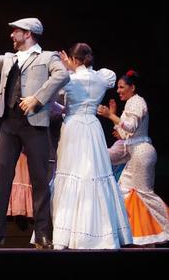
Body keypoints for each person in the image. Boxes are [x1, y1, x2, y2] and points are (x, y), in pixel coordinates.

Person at [0, 17, 69, 249]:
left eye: (16, 32)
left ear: (28, 34)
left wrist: (37, 98)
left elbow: (62, 75)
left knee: (40, 180)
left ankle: (42, 234)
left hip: (35, 125)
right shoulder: (10, 58)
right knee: (2, 179)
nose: (12, 36)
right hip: (9, 125)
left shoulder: (47, 57)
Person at [50, 43, 132, 249]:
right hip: (93, 128)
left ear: (72, 58)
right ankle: (101, 233)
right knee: (95, 174)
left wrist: (68, 70)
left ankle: (68, 235)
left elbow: (56, 101)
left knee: (73, 172)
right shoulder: (101, 78)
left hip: (74, 127)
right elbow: (105, 78)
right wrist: (75, 68)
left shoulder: (70, 79)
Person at [98, 70, 169, 246]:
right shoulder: (131, 103)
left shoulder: (137, 101)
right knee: (127, 192)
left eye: (122, 87)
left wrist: (110, 115)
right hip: (135, 153)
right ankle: (140, 237)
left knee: (143, 194)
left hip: (141, 153)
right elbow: (123, 134)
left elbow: (129, 127)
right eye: (118, 87)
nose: (118, 91)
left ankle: (159, 230)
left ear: (132, 87)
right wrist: (114, 116)